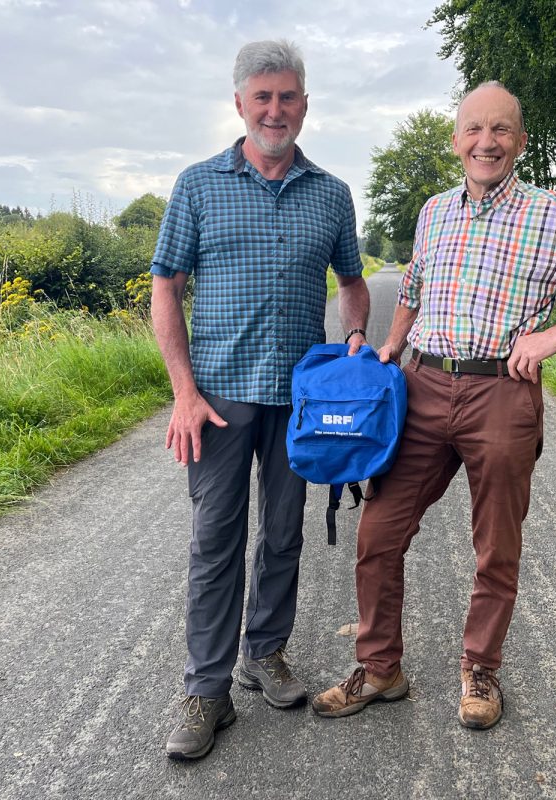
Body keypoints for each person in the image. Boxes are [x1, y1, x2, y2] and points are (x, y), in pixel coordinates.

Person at [312, 81, 556, 730]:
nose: (485, 143)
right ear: (456, 139)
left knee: (496, 545)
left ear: (519, 142)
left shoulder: (551, 215)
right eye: (473, 130)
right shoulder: (435, 211)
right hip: (425, 386)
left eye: (500, 131)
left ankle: (480, 668)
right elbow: (412, 286)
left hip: (502, 394)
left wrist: (555, 334)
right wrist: (390, 346)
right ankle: (380, 668)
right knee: (379, 531)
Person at [151, 39, 369, 761]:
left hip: (298, 403)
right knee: (216, 542)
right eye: (262, 96)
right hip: (215, 399)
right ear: (240, 103)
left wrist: (360, 335)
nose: (276, 109)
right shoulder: (197, 186)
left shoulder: (332, 195)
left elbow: (351, 281)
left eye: (288, 96)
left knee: (284, 534)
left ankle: (264, 653)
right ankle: (206, 689)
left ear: (305, 104)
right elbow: (165, 288)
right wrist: (182, 393)